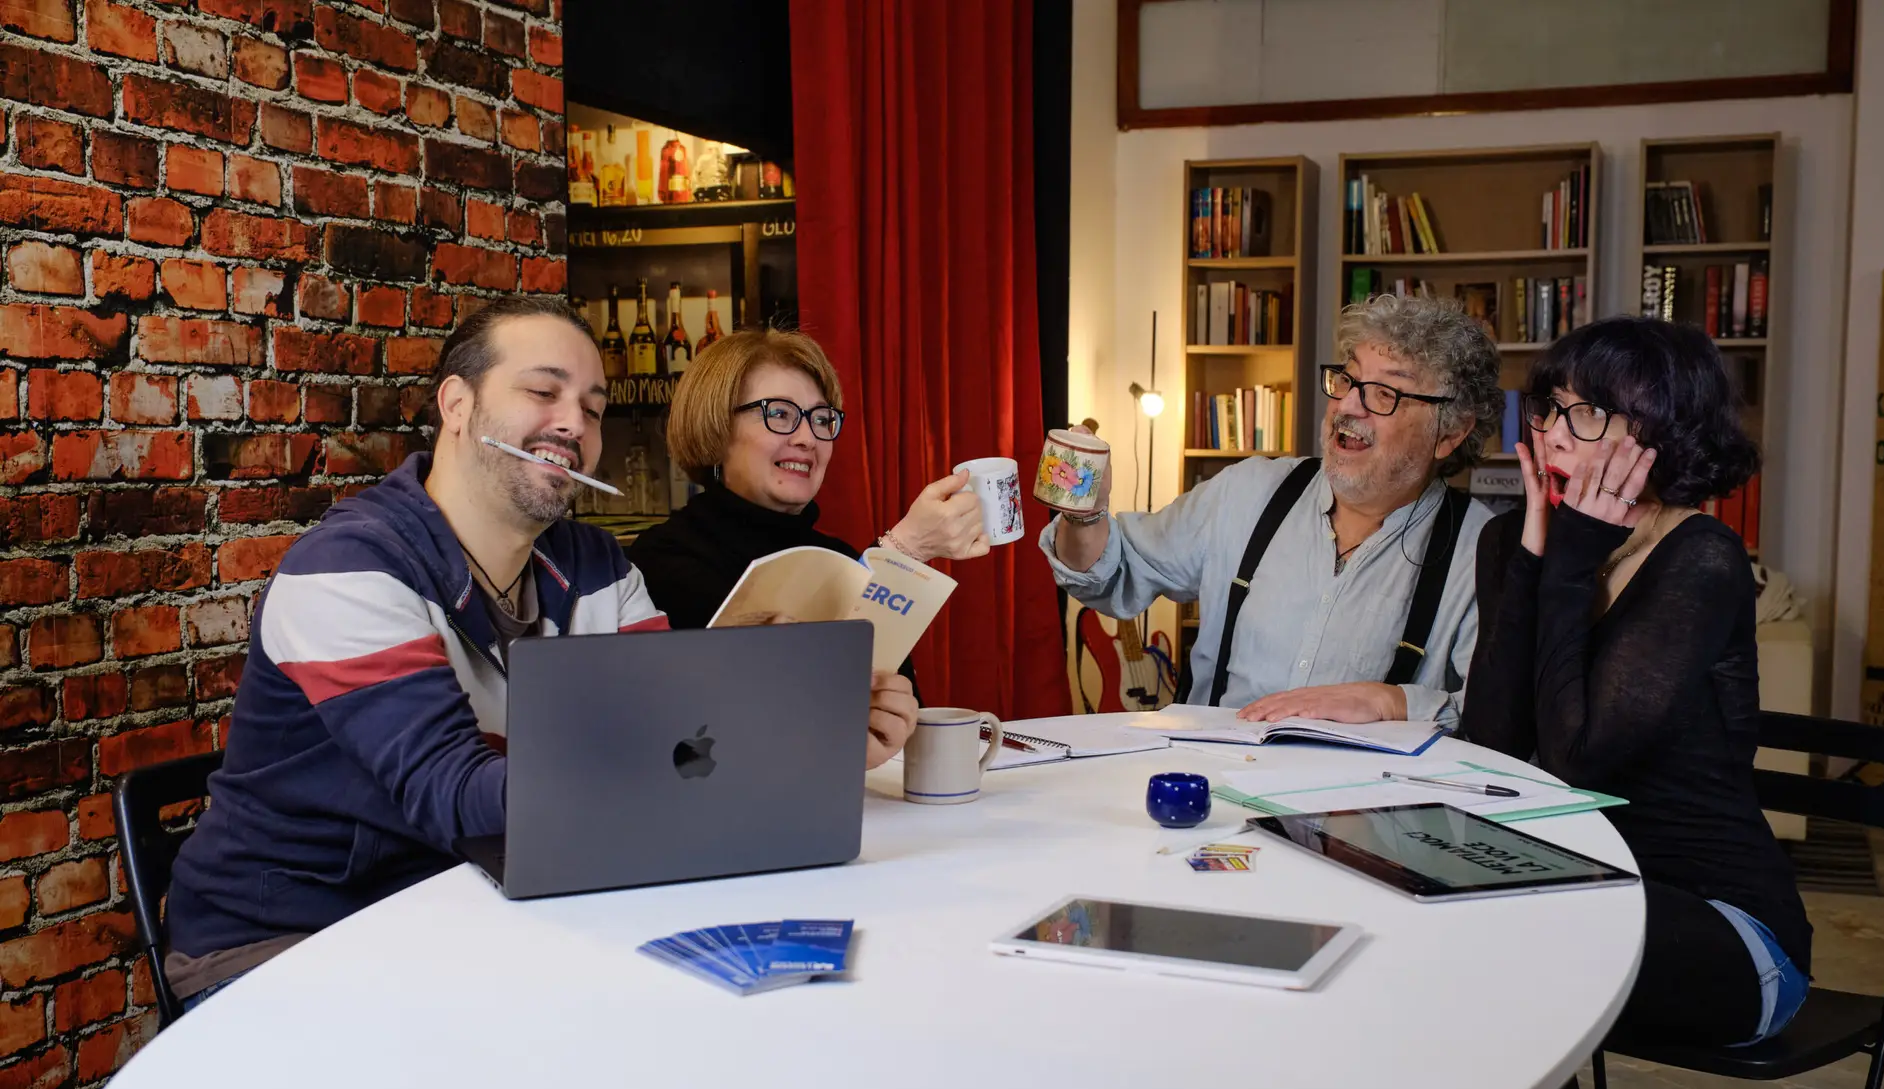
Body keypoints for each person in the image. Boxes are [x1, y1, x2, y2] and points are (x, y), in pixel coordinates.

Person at [164, 299, 917, 1011]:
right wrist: (707, 747)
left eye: (591, 408)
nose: (574, 423)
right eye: (544, 392)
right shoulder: (348, 568)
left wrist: (801, 735)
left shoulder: (600, 569)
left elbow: (678, 746)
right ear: (456, 406)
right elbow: (460, 800)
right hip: (293, 944)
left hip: (489, 914)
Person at [1330, 316, 1813, 1089]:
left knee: (1503, 978)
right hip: (1574, 900)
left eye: (1585, 415)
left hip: (1728, 933)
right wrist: (1540, 565)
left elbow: (1578, 765)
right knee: (1459, 972)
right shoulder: (1517, 539)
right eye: (1550, 408)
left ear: (1658, 434)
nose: (1552, 434)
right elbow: (1497, 754)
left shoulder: (1702, 560)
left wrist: (1569, 572)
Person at [1042, 294, 1502, 727]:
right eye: (1347, 378)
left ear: (1450, 433)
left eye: (1385, 394)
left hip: (1368, 806)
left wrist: (1390, 701)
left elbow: (1498, 719)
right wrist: (1086, 514)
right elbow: (1114, 573)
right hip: (1215, 787)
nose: (1346, 405)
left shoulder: (1483, 552)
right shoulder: (1249, 492)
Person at [626, 327, 989, 638]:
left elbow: (890, 688)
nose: (808, 438)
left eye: (820, 418)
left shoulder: (840, 558)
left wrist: (897, 713)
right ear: (717, 429)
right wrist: (902, 551)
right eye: (780, 414)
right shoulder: (659, 560)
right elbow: (779, 675)